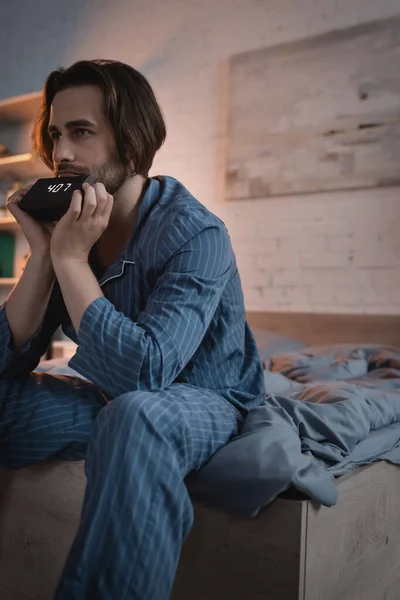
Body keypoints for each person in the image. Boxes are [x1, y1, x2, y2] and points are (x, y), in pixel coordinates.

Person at [0, 59, 265, 599]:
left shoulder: (198, 234)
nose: (62, 154)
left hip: (205, 398)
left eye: (82, 132)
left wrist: (73, 264)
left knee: (137, 415)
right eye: (55, 135)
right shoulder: (71, 228)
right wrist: (46, 256)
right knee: (124, 415)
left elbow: (148, 375)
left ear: (132, 139)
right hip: (112, 402)